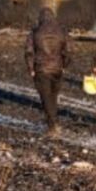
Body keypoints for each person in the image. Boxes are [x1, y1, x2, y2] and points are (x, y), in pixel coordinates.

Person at [25, 8, 70, 136]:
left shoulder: (35, 33)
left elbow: (29, 52)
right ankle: (53, 121)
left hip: (41, 69)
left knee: (46, 97)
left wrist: (31, 69)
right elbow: (68, 51)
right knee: (53, 96)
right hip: (57, 69)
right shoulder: (61, 32)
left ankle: (52, 124)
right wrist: (64, 65)